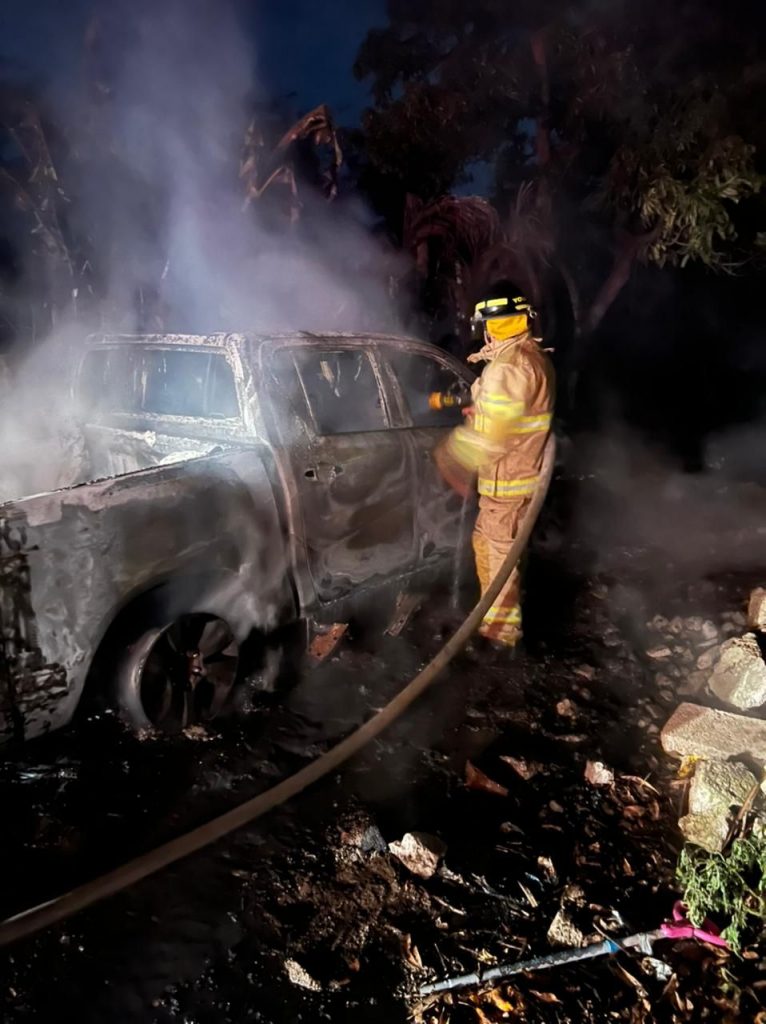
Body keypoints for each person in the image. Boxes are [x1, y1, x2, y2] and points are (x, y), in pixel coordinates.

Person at [434, 282, 555, 649]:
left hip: (509, 481)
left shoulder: (508, 369)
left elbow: (492, 437)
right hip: (515, 476)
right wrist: (480, 408)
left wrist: (450, 456)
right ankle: (491, 624)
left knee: (500, 558)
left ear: (490, 323)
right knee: (486, 545)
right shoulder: (529, 357)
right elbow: (509, 413)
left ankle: (502, 640)